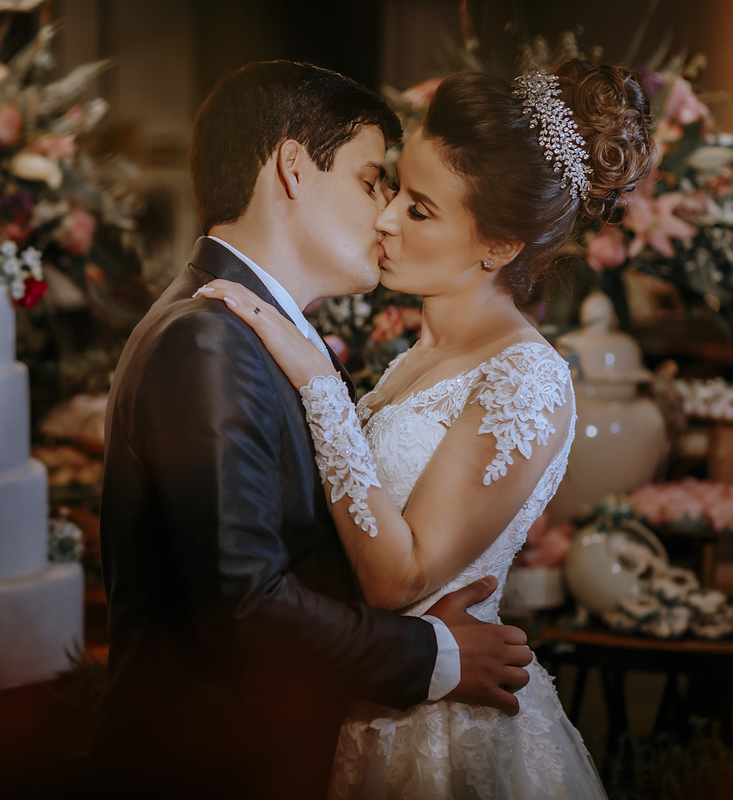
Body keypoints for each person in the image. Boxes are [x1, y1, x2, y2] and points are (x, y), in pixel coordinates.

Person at [197, 59, 654, 798]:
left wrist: (319, 384)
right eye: (393, 188)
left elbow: (397, 576)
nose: (384, 218)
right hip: (370, 698)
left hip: (446, 735)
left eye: (420, 209)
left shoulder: (525, 376)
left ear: (498, 245)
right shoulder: (416, 359)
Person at [94, 60, 534, 800]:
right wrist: (433, 653)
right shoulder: (207, 338)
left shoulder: (256, 335)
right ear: (293, 168)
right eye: (372, 181)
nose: (387, 214)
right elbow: (242, 606)